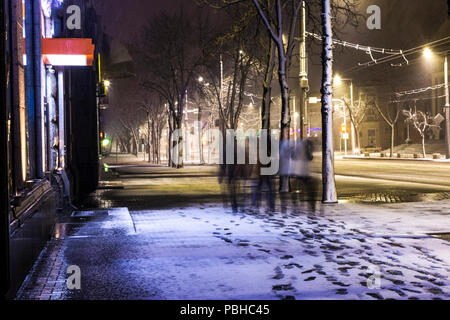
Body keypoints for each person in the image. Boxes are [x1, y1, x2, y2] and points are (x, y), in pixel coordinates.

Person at [290, 138, 318, 213]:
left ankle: (296, 202)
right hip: (302, 172)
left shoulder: (298, 147)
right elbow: (309, 157)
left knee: (298, 187)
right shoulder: (305, 148)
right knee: (308, 188)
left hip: (297, 171)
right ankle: (311, 206)